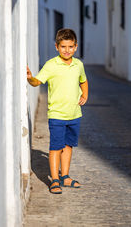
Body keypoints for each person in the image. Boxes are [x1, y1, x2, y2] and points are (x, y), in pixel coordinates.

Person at [27, 28, 88, 194]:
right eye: (63, 47)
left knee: (68, 146)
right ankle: (54, 180)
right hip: (57, 115)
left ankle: (65, 176)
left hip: (74, 114)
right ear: (57, 47)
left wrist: (85, 95)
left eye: (70, 47)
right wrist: (30, 78)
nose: (67, 50)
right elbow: (37, 82)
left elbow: (83, 80)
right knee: (55, 147)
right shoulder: (51, 65)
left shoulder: (78, 65)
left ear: (75, 47)